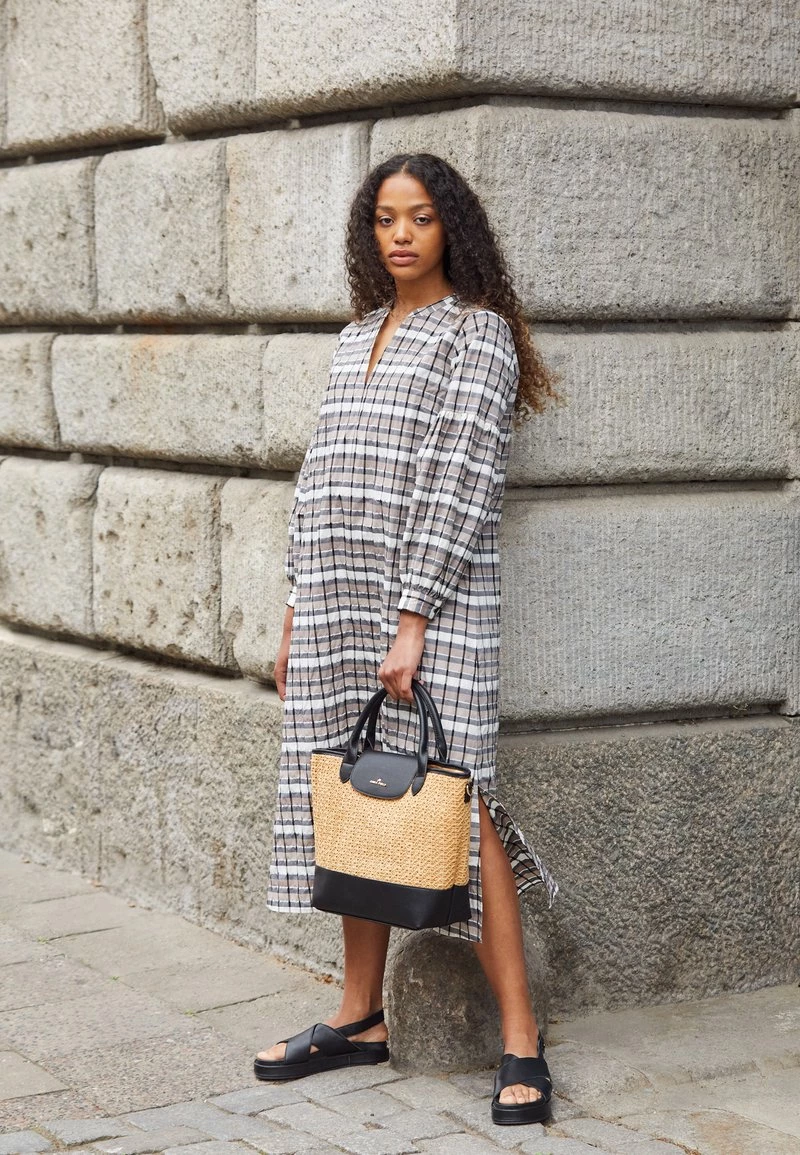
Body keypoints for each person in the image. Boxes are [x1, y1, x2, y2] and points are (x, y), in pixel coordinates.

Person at [255, 153, 561, 1126]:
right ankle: (359, 1015)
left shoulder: (477, 334)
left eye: (420, 217)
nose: (400, 234)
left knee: (458, 807)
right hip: (337, 600)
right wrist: (297, 612)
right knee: (356, 795)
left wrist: (414, 616)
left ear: (450, 227)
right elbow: (318, 478)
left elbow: (463, 480)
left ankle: (521, 1037)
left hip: (434, 608)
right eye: (385, 218)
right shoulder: (356, 336)